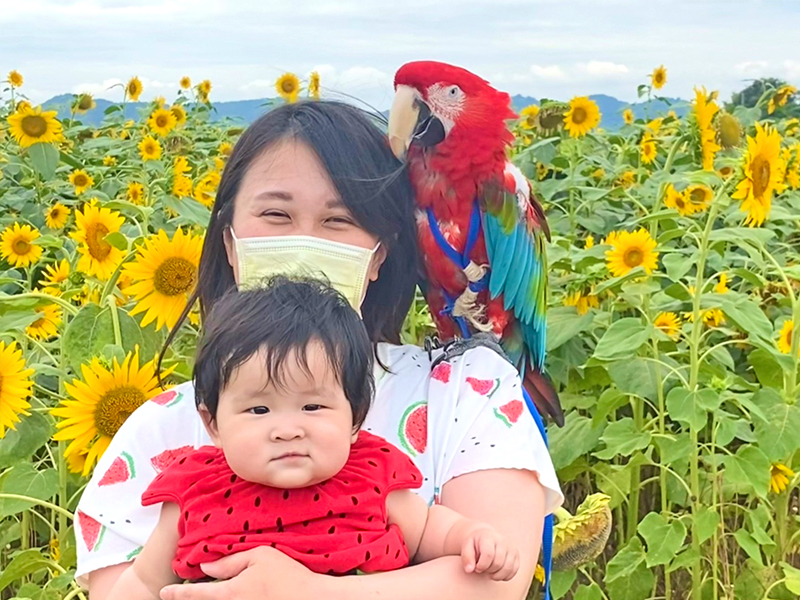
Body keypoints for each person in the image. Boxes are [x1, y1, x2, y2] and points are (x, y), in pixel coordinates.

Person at [77, 100, 563, 600]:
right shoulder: (159, 433)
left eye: (339, 220)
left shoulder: (464, 392)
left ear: (380, 253)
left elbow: (492, 586)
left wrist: (303, 591)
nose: (305, 241)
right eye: (275, 213)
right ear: (228, 240)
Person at [107, 277, 521, 600]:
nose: (288, 429)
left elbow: (432, 529)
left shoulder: (372, 475)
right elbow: (143, 584)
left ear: (355, 416)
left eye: (312, 408)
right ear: (213, 423)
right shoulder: (195, 488)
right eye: (258, 410)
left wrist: (472, 538)